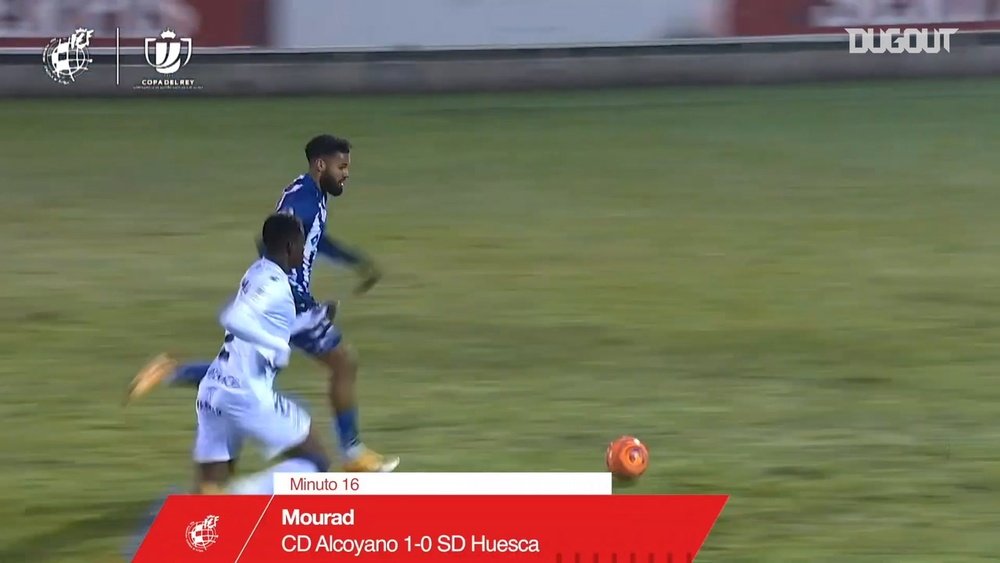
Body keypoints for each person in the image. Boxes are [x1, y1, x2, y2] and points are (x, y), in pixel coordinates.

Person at [125, 134, 398, 473]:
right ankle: (352, 455)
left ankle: (172, 371)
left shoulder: (310, 193)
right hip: (290, 304)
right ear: (320, 165)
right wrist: (298, 299)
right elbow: (273, 241)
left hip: (287, 300)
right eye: (342, 167)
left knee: (243, 373)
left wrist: (353, 261)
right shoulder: (304, 202)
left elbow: (312, 239)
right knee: (342, 364)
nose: (346, 174)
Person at [123, 213, 330, 560]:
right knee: (316, 462)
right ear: (291, 247)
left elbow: (257, 328)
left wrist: (310, 320)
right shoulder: (274, 283)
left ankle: (159, 547)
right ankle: (242, 499)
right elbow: (235, 319)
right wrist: (278, 346)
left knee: (207, 495)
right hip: (246, 395)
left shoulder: (256, 273)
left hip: (215, 390)